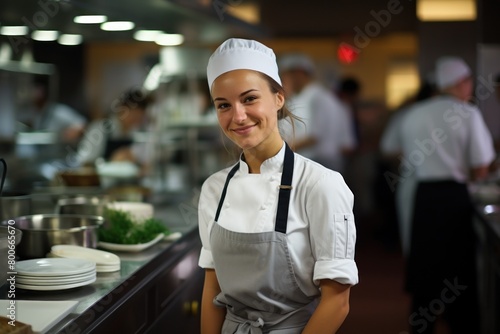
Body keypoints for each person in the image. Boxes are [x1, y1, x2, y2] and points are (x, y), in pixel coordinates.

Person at [198, 38, 358, 334]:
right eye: (224, 105)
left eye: (249, 99)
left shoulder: (320, 185)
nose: (238, 116)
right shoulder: (214, 189)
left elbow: (337, 302)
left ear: (279, 98)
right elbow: (212, 289)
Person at [399, 57, 495, 333]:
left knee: (426, 271)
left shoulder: (414, 113)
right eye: (468, 83)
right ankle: (461, 324)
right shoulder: (467, 113)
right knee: (458, 271)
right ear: (460, 83)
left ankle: (422, 325)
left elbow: (404, 154)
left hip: (425, 198)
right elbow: (480, 167)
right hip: (454, 199)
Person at [379, 76, 438, 256]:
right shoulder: (407, 115)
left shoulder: (456, 114)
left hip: (425, 185)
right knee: (417, 241)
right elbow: (387, 149)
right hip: (415, 181)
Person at [278, 53, 357, 173]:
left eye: (285, 75)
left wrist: (280, 151)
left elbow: (315, 136)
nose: (283, 79)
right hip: (306, 159)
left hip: (320, 161)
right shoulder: (301, 97)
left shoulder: (319, 97)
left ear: (299, 73)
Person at [74, 87, 152, 167]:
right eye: (134, 113)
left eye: (140, 115)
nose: (137, 118)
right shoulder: (100, 129)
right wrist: (111, 162)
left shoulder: (135, 133)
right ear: (122, 108)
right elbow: (84, 163)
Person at [26, 78, 87, 143]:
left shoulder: (57, 111)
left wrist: (69, 134)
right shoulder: (36, 112)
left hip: (59, 149)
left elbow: (82, 123)